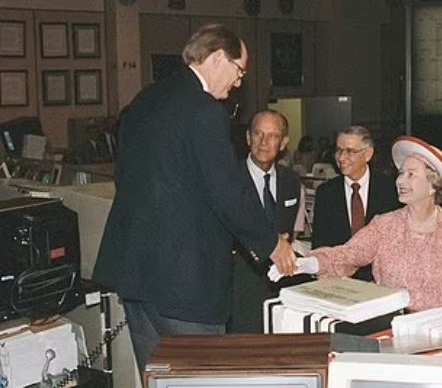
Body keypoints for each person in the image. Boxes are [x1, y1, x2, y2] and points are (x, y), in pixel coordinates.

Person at [92, 24, 295, 373]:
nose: (239, 83)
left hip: (137, 273)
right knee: (201, 379)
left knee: (157, 379)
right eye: (239, 71)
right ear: (217, 59)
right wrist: (271, 242)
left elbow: (128, 178)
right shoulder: (204, 111)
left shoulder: (144, 101)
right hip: (184, 284)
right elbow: (226, 191)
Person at [272, 136, 442, 312]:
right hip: (391, 332)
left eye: (411, 174)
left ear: (433, 185)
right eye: (400, 173)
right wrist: (309, 263)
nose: (400, 180)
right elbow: (347, 255)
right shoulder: (384, 226)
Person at [229, 110, 307, 333]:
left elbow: (290, 234)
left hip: (281, 289)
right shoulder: (229, 179)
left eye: (272, 136)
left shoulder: (291, 180)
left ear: (283, 142)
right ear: (247, 138)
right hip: (239, 289)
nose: (263, 142)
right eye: (258, 134)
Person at [311, 125, 400, 281]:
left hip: (380, 282)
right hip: (339, 282)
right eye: (338, 150)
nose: (341, 158)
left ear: (368, 154)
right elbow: (320, 244)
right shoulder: (326, 193)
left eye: (350, 151)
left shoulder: (390, 190)